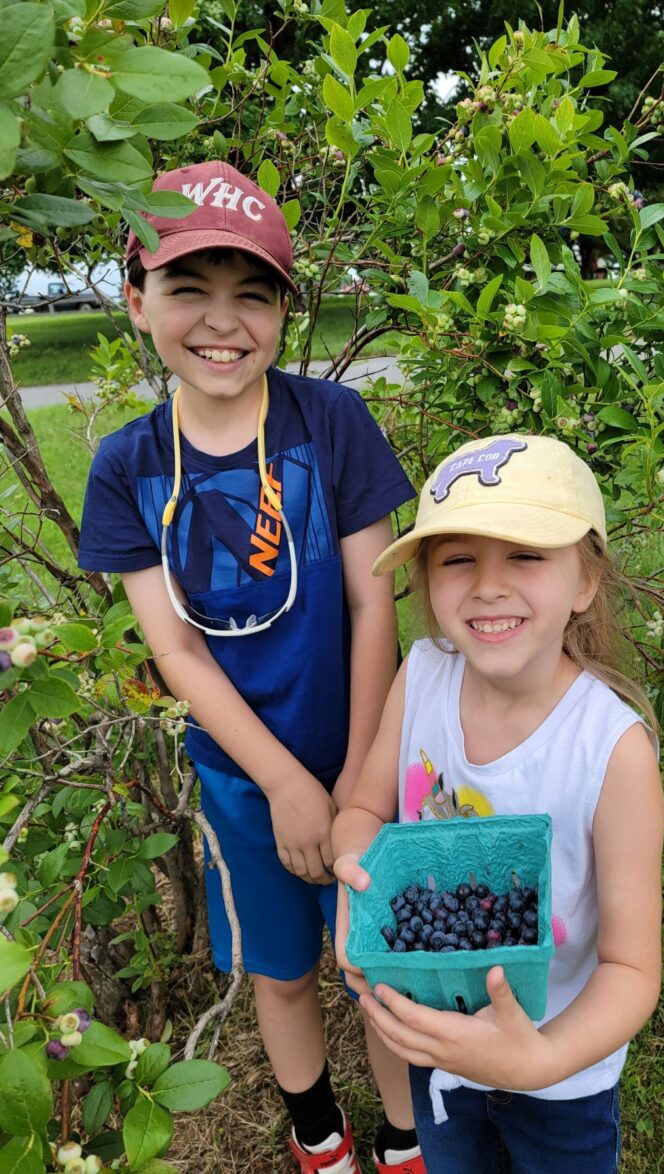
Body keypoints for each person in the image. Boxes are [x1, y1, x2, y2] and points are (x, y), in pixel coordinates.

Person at [78, 160, 426, 1174]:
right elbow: (175, 647)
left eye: (254, 293)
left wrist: (357, 785)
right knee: (280, 972)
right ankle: (319, 1132)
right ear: (138, 301)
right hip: (240, 782)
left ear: (284, 310)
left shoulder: (334, 424)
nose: (222, 321)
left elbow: (376, 603)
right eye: (190, 287)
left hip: (368, 756)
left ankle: (405, 1142)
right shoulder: (127, 468)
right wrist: (278, 781)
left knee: (380, 971)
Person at [332, 433, 664, 1173]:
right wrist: (355, 880)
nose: (487, 585)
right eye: (457, 559)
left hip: (561, 1076)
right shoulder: (420, 677)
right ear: (425, 580)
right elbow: (362, 809)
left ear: (584, 581)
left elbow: (633, 969)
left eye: (526, 555)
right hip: (435, 1039)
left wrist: (537, 1061)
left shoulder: (612, 753)